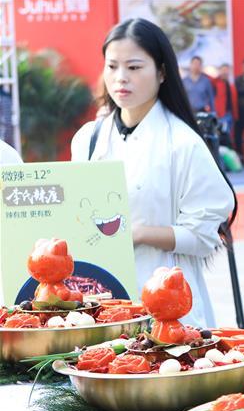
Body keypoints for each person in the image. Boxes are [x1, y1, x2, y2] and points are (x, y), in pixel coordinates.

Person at [71, 18, 234, 328]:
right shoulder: (88, 139)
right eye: (112, 66)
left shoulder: (183, 144)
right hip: (101, 305)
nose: (121, 78)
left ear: (161, 72)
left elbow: (204, 235)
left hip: (170, 310)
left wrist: (141, 234)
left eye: (134, 68)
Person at [212, 63, 237, 147]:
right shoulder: (216, 83)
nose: (225, 72)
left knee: (229, 137)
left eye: (226, 70)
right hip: (221, 115)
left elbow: (234, 102)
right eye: (223, 70)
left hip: (229, 115)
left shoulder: (231, 86)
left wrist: (235, 116)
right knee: (221, 136)